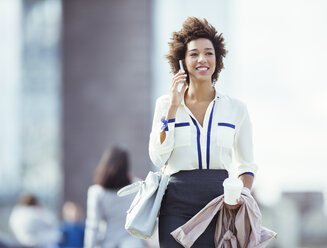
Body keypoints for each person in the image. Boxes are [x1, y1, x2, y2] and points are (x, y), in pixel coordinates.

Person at [149, 17, 258, 247]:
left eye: (209, 53)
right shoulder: (164, 105)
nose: (202, 59)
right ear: (182, 61)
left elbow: (246, 166)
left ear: (217, 59)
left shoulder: (236, 109)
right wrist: (171, 108)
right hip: (175, 206)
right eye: (194, 54)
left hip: (220, 204)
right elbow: (158, 157)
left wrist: (239, 196)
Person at [84, 146, 145, 248]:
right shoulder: (137, 186)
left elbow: (93, 225)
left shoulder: (96, 191)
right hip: (132, 242)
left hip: (107, 242)